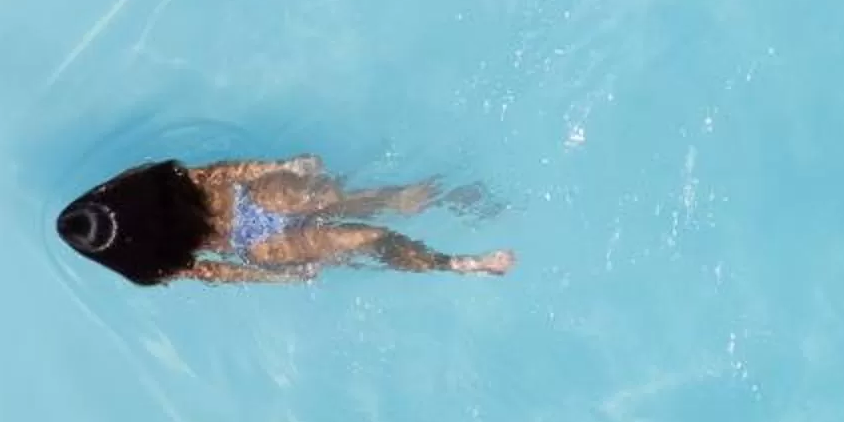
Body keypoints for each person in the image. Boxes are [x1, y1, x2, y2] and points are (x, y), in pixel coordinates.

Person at [56, 154, 513, 285]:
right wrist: (282, 168)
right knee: (360, 229)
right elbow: (215, 269)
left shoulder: (163, 188)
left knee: (351, 215)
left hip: (253, 222)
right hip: (255, 230)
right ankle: (460, 262)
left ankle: (429, 206)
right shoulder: (156, 189)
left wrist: (279, 167)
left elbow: (219, 173)